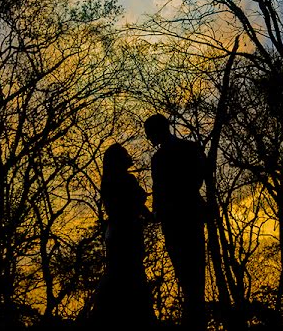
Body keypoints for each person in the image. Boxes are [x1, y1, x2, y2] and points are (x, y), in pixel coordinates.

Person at [144, 113, 207, 330]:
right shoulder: (187, 149)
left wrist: (159, 210)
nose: (148, 138)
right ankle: (194, 317)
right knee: (191, 270)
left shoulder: (167, 155)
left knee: (189, 269)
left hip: (180, 215)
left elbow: (161, 188)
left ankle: (194, 319)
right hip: (183, 213)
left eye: (149, 133)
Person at [89, 143, 155, 327]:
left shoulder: (108, 181)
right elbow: (138, 201)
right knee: (129, 273)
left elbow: (137, 204)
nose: (129, 157)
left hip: (114, 231)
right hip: (126, 231)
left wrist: (148, 214)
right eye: (125, 154)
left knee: (117, 272)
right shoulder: (127, 180)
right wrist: (150, 215)